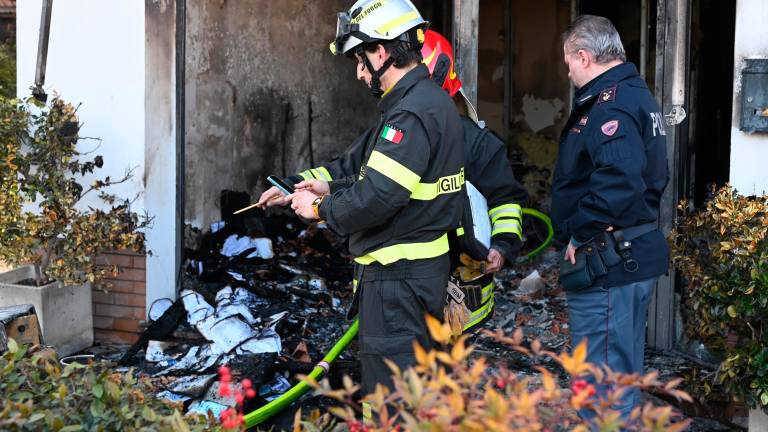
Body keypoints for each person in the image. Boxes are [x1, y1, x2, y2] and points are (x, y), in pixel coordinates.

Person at [258, 29, 528, 333]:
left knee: (443, 369)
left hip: (460, 281)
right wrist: (293, 187)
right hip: (416, 280)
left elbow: (505, 199)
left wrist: (502, 244)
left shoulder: (471, 140)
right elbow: (346, 170)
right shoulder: (396, 127)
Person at [278, 0, 465, 396]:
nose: (361, 74)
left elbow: (378, 198)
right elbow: (387, 181)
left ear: (382, 52)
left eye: (361, 61)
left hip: (397, 283)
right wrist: (329, 187)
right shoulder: (429, 102)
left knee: (389, 402)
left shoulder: (409, 114)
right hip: (419, 275)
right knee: (418, 395)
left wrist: (318, 209)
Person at [551, 15, 669, 419]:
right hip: (630, 254)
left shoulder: (612, 102)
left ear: (583, 56)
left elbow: (618, 182)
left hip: (609, 261)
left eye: (568, 62)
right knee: (620, 378)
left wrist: (580, 233)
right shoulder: (637, 94)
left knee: (600, 387)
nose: (568, 72)